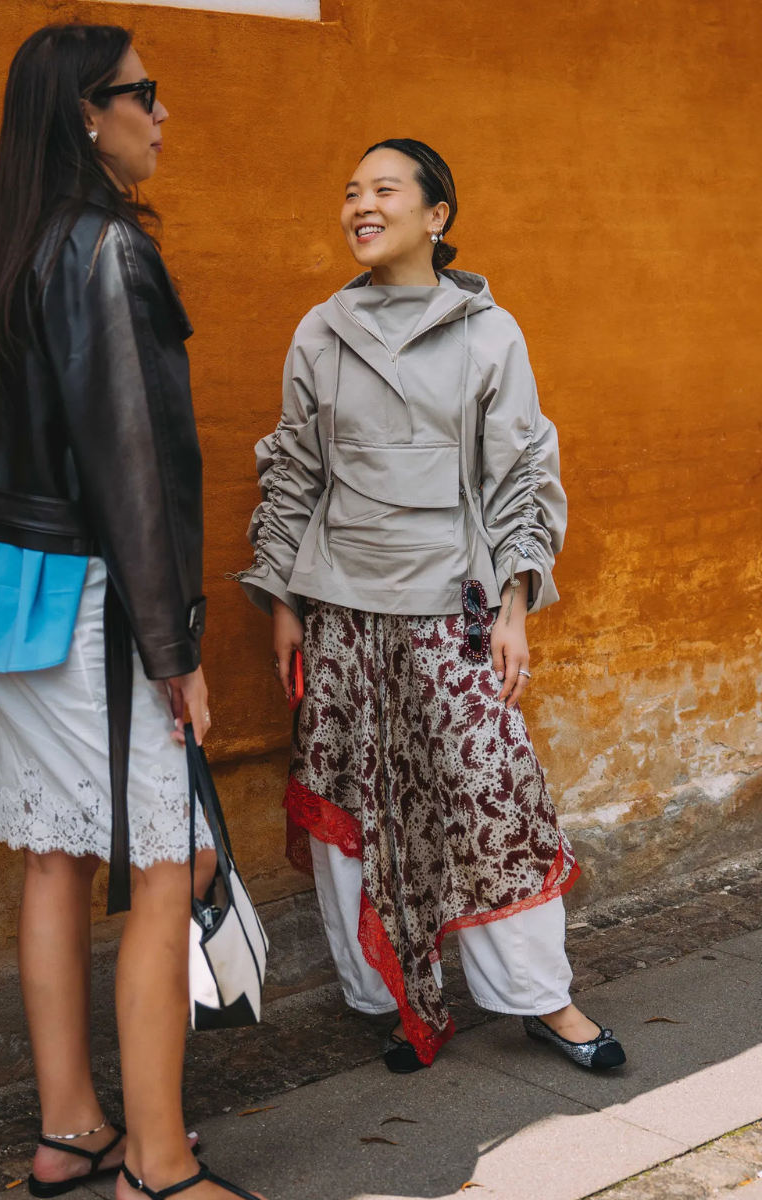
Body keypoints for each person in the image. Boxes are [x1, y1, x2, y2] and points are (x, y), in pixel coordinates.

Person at [0, 24, 261, 1200]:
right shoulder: (103, 253)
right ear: (86, 113)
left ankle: (71, 1130)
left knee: (54, 861)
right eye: (144, 93)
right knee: (161, 868)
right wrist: (176, 649)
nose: (161, 113)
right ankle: (161, 1168)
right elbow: (138, 471)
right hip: (94, 605)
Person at [235, 138, 627, 1075]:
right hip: (339, 612)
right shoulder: (320, 330)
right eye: (350, 193)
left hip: (452, 604)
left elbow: (520, 474)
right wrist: (282, 598)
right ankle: (389, 996)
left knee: (492, 796)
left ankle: (542, 999)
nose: (360, 206)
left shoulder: (491, 333)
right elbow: (295, 471)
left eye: (383, 190)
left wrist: (515, 606)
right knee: (355, 799)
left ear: (436, 216)